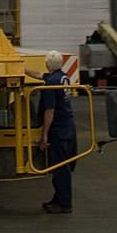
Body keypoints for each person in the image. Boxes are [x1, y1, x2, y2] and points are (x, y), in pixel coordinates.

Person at [37, 50, 76, 215]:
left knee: (60, 167)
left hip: (58, 129)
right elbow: (39, 75)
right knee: (62, 166)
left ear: (47, 64)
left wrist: (44, 135)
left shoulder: (51, 84)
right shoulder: (62, 77)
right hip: (68, 126)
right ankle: (58, 198)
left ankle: (64, 203)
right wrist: (22, 69)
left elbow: (50, 111)